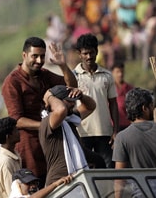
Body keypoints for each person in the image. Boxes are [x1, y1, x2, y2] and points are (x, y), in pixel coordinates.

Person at [2, 36, 78, 186]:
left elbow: (72, 86)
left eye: (42, 56)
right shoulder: (12, 82)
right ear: (24, 55)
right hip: (29, 145)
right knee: (34, 185)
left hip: (52, 143)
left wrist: (63, 65)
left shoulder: (44, 74)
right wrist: (46, 125)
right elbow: (17, 120)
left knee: (59, 182)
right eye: (34, 56)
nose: (38, 60)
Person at [74, 33, 119, 168]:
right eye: (85, 53)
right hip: (82, 132)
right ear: (79, 54)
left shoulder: (107, 75)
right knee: (84, 170)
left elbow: (113, 104)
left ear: (97, 51)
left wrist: (115, 131)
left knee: (108, 168)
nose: (89, 57)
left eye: (92, 53)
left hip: (104, 132)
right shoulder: (73, 76)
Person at [39, 85, 96, 186]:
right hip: (58, 180)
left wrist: (81, 96)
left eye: (74, 100)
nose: (73, 104)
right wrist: (49, 97)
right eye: (69, 101)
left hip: (76, 179)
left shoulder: (70, 119)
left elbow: (91, 106)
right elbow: (61, 110)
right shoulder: (48, 121)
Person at [111, 62, 134, 131]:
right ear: (112, 73)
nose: (120, 74)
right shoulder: (108, 88)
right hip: (112, 125)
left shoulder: (130, 88)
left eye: (122, 71)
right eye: (117, 72)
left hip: (127, 125)